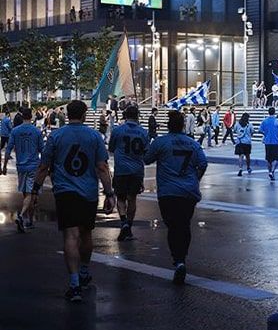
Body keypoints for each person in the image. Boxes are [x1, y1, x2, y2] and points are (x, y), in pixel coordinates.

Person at [32, 100, 116, 302]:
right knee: (86, 233)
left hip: (65, 191)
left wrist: (35, 189)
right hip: (88, 191)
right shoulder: (94, 136)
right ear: (85, 114)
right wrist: (109, 193)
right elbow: (102, 167)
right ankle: (85, 270)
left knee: (71, 235)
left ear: (67, 114)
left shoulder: (56, 136)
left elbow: (44, 166)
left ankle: (74, 282)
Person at [144, 110, 208, 285]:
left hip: (168, 191)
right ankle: (182, 257)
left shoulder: (160, 143)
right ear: (182, 126)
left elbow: (147, 159)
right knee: (184, 224)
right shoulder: (193, 144)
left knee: (172, 226)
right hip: (188, 191)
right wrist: (196, 179)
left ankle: (178, 259)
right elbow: (203, 163)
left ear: (168, 125)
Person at [108, 104, 149, 241]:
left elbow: (112, 148)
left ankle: (124, 220)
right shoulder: (143, 132)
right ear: (137, 116)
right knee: (133, 198)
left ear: (125, 116)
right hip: (137, 169)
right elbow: (146, 151)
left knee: (120, 197)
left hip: (121, 169)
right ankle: (129, 226)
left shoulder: (117, 130)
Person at [4, 109, 44, 233]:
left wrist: (4, 165)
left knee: (27, 194)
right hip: (33, 165)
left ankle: (29, 220)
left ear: (21, 117)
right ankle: (22, 216)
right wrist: (45, 167)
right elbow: (42, 150)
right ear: (31, 116)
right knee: (31, 194)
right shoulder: (36, 131)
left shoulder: (15, 131)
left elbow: (8, 149)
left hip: (21, 165)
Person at [259, 107, 278, 181]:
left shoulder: (265, 121)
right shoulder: (277, 121)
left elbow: (260, 130)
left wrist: (265, 134)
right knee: (276, 158)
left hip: (267, 142)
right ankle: (272, 171)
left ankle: (269, 171)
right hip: (276, 142)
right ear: (274, 112)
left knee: (268, 158)